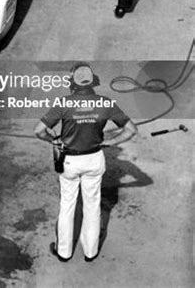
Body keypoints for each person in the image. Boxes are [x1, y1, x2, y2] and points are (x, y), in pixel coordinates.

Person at [34, 63, 137, 262]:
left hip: (70, 161)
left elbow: (38, 130)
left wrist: (53, 140)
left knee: (67, 205)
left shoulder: (64, 103)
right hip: (94, 159)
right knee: (92, 205)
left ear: (72, 82)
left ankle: (64, 251)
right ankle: (91, 251)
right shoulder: (105, 103)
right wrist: (110, 141)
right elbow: (131, 130)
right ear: (93, 82)